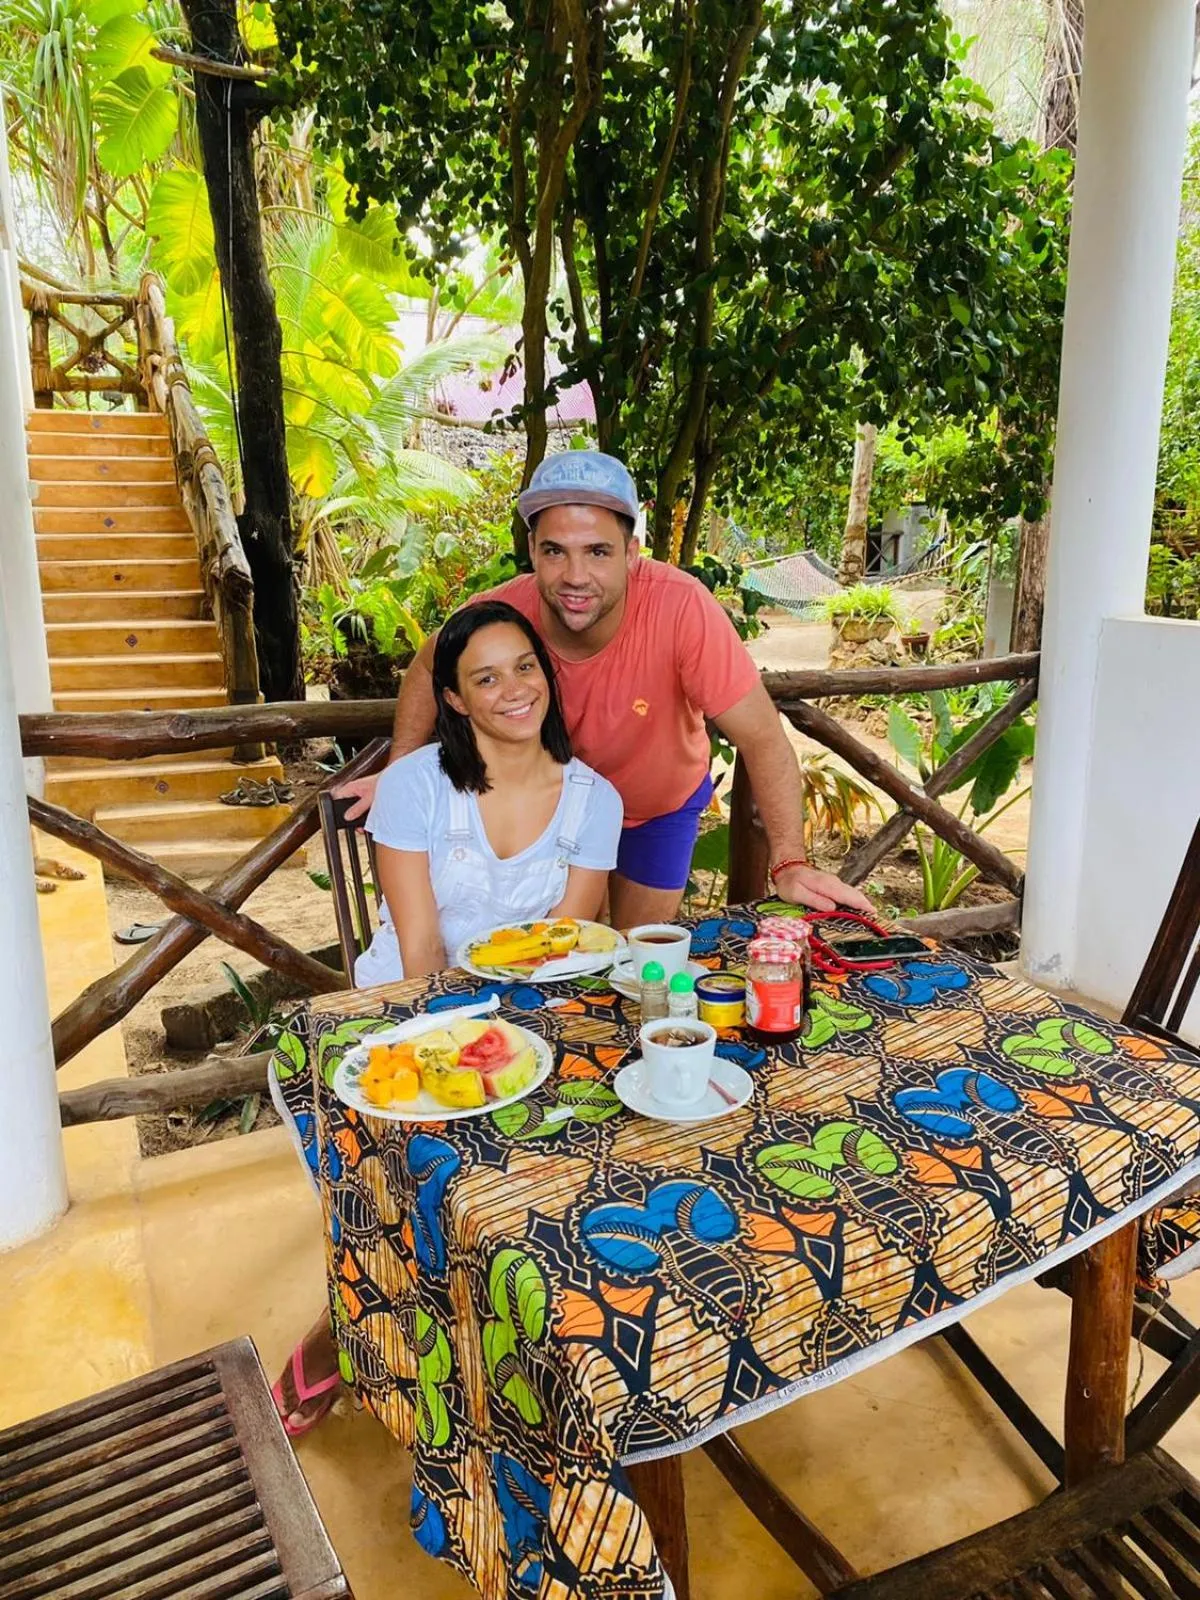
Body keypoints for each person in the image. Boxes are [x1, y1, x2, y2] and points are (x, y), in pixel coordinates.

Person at [272, 599, 622, 1434]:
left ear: (548, 674)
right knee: (419, 1167)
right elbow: (421, 940)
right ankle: (340, 1329)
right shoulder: (416, 784)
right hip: (404, 1012)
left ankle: (528, 1346)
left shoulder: (593, 798)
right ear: (456, 699)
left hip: (534, 1017)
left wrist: (511, 1050)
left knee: (596, 1152)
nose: (513, 690)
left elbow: (564, 945)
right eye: (485, 677)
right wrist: (455, 1063)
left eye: (525, 668)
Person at [340, 450, 874, 926]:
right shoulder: (499, 615)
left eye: (597, 551)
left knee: (637, 957)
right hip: (552, 814)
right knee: (564, 965)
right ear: (531, 550)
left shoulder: (681, 608)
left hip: (655, 809)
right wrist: (400, 767)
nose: (575, 575)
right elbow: (428, 665)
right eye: (554, 552)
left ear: (632, 551)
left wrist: (789, 863)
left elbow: (762, 737)